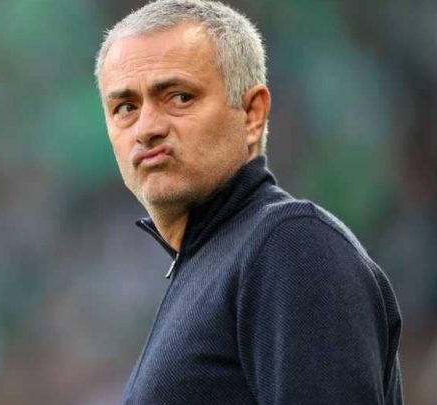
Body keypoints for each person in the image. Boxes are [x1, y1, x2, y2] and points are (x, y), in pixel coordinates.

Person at [94, 1, 403, 404]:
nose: (146, 128)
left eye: (179, 97)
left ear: (252, 113)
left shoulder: (290, 245)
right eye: (125, 107)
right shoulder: (212, 264)